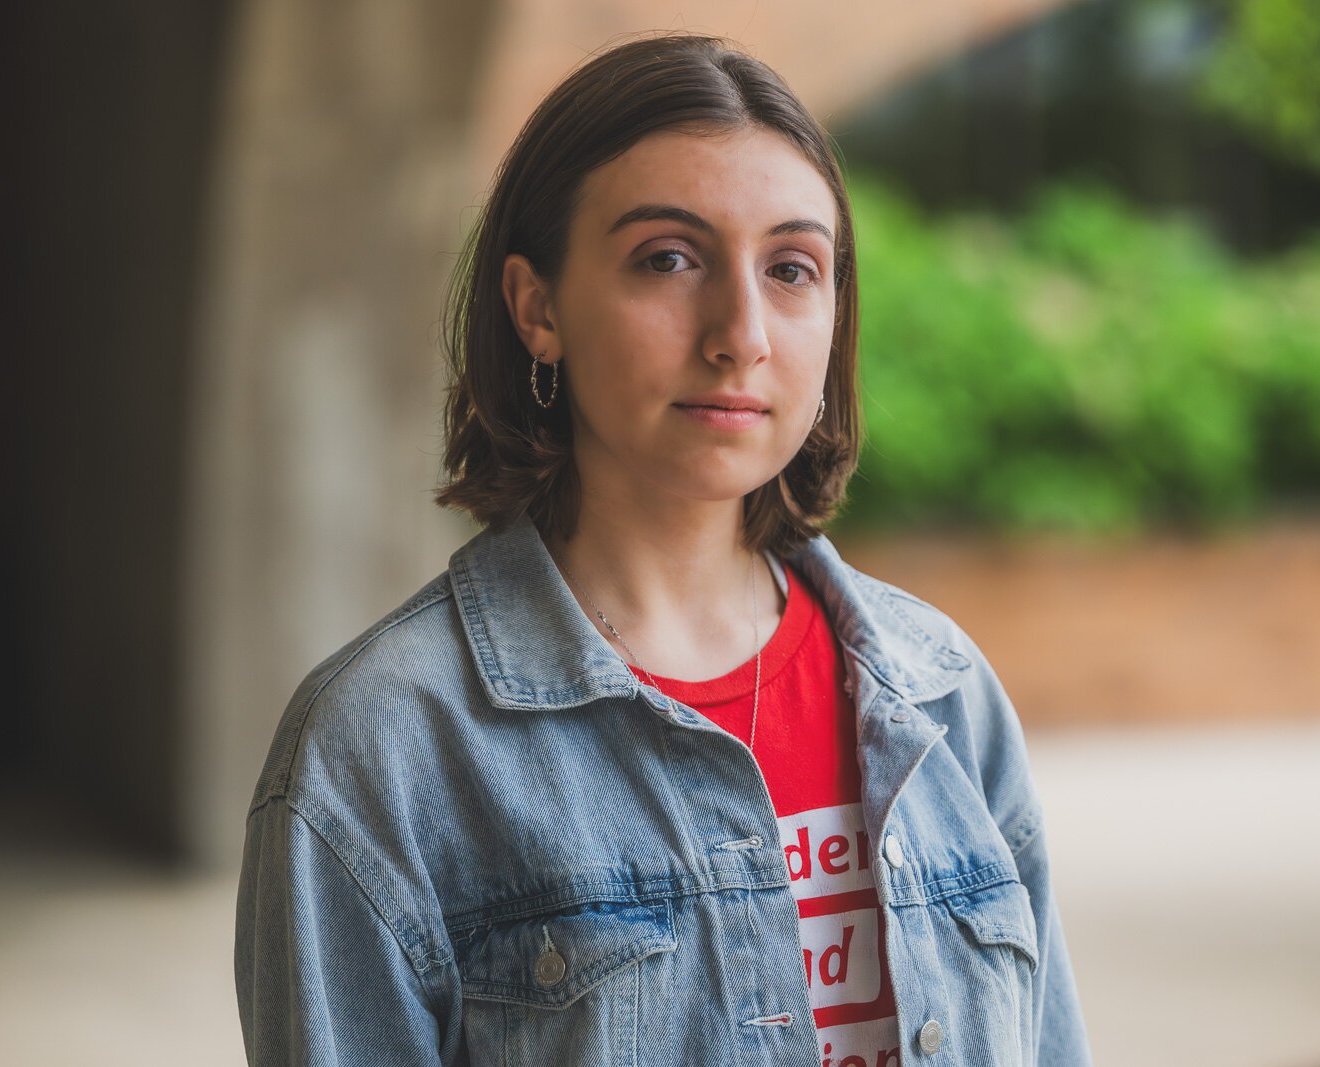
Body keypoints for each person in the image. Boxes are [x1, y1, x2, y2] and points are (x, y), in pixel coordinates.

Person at [234, 30, 1092, 1067]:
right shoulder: (386, 751)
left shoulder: (943, 694)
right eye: (669, 258)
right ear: (535, 305)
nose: (740, 332)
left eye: (791, 268)